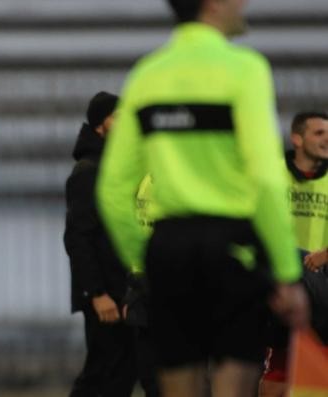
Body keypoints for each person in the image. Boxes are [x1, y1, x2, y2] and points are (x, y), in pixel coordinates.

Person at [97, 1, 310, 395]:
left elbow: (111, 189)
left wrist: (142, 260)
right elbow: (265, 178)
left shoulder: (146, 75)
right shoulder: (245, 69)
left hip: (168, 249)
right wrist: (286, 271)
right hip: (232, 247)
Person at [62, 91, 139, 396]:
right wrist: (96, 293)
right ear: (99, 125)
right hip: (105, 293)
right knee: (102, 374)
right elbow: (78, 237)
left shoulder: (116, 169)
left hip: (123, 288)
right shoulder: (89, 172)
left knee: (120, 372)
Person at [260, 111, 328, 396]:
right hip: (279, 281)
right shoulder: (271, 173)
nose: (327, 139)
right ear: (297, 138)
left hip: (323, 285)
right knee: (277, 368)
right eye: (319, 133)